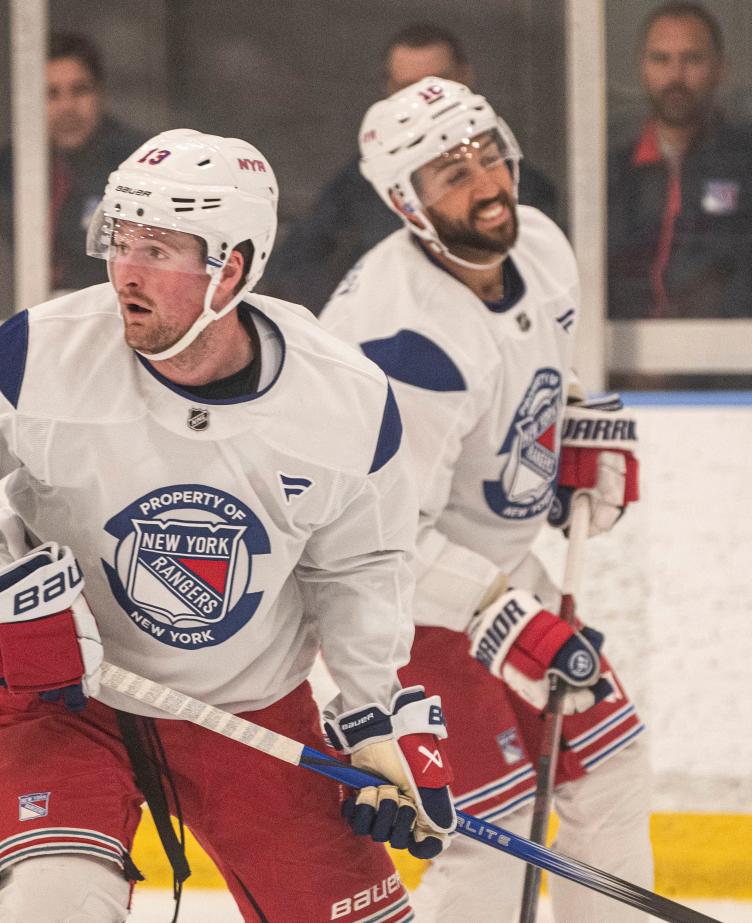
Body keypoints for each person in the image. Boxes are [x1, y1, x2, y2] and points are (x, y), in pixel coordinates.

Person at [0, 128, 458, 923]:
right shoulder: (44, 351)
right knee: (51, 912)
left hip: (249, 709)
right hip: (65, 699)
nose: (126, 273)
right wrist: (8, 592)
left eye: (160, 249)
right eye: (120, 239)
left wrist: (373, 718)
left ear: (232, 268)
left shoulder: (344, 401)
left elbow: (359, 570)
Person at [321, 78, 653, 921]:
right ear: (407, 202)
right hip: (395, 610)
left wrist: (571, 423)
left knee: (609, 768)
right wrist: (500, 612)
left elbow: (540, 365)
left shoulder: (539, 245)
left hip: (498, 577)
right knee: (491, 826)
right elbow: (375, 538)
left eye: (486, 155)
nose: (486, 183)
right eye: (449, 174)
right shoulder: (402, 344)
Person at [262, 22, 558, 314]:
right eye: (407, 88)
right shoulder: (359, 185)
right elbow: (294, 264)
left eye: (437, 83)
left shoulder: (526, 195)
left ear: (465, 77)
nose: (424, 98)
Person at [0, 32, 145, 293]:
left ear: (100, 93)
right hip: (47, 314)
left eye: (80, 90)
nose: (67, 107)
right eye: (51, 94)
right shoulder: (20, 161)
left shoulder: (139, 162)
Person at [609, 1, 752, 319]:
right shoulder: (614, 172)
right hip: (620, 361)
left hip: (726, 360)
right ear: (642, 68)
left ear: (721, 68)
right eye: (661, 59)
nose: (676, 76)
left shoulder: (743, 162)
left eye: (692, 59)